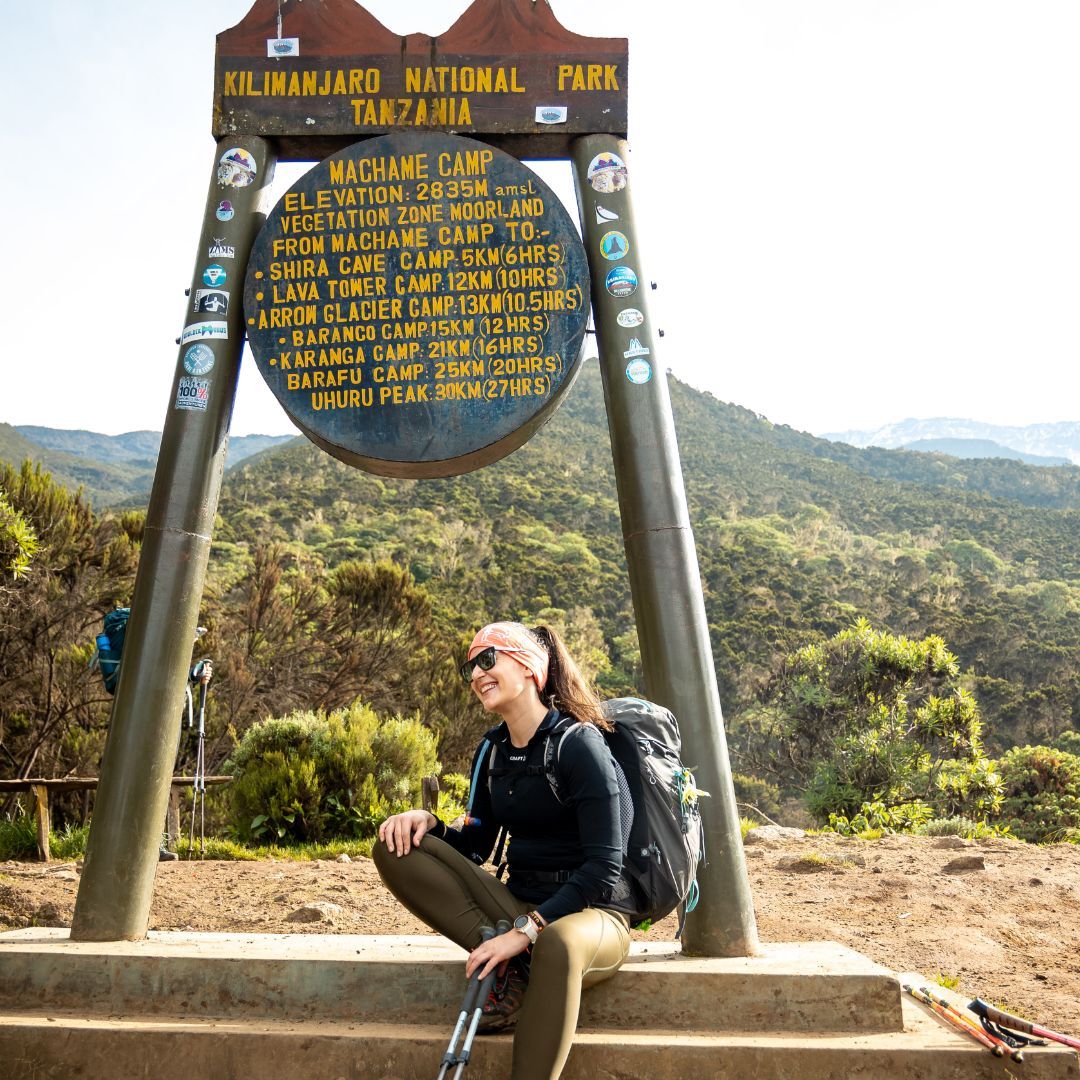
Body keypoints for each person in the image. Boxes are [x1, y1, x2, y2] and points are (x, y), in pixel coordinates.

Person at [375, 621, 631, 1080]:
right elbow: (476, 847)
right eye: (470, 666)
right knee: (396, 848)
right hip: (518, 904)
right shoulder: (492, 751)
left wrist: (527, 930)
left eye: (487, 659)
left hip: (593, 916)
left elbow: (605, 867)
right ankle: (514, 963)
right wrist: (429, 824)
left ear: (530, 666)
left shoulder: (579, 745)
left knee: (555, 942)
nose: (476, 675)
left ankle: (520, 965)